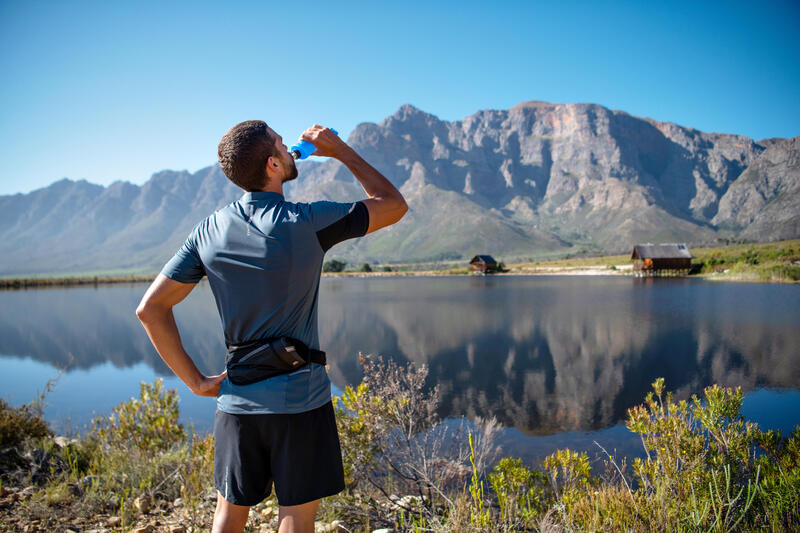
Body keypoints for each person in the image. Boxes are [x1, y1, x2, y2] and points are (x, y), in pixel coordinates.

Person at [135, 121, 407, 533]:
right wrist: (341, 151)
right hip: (300, 402)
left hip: (235, 405)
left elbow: (150, 309)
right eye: (282, 142)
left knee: (228, 514)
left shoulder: (207, 231)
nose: (289, 144)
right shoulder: (310, 221)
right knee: (296, 518)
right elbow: (393, 203)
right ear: (275, 163)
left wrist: (196, 382)